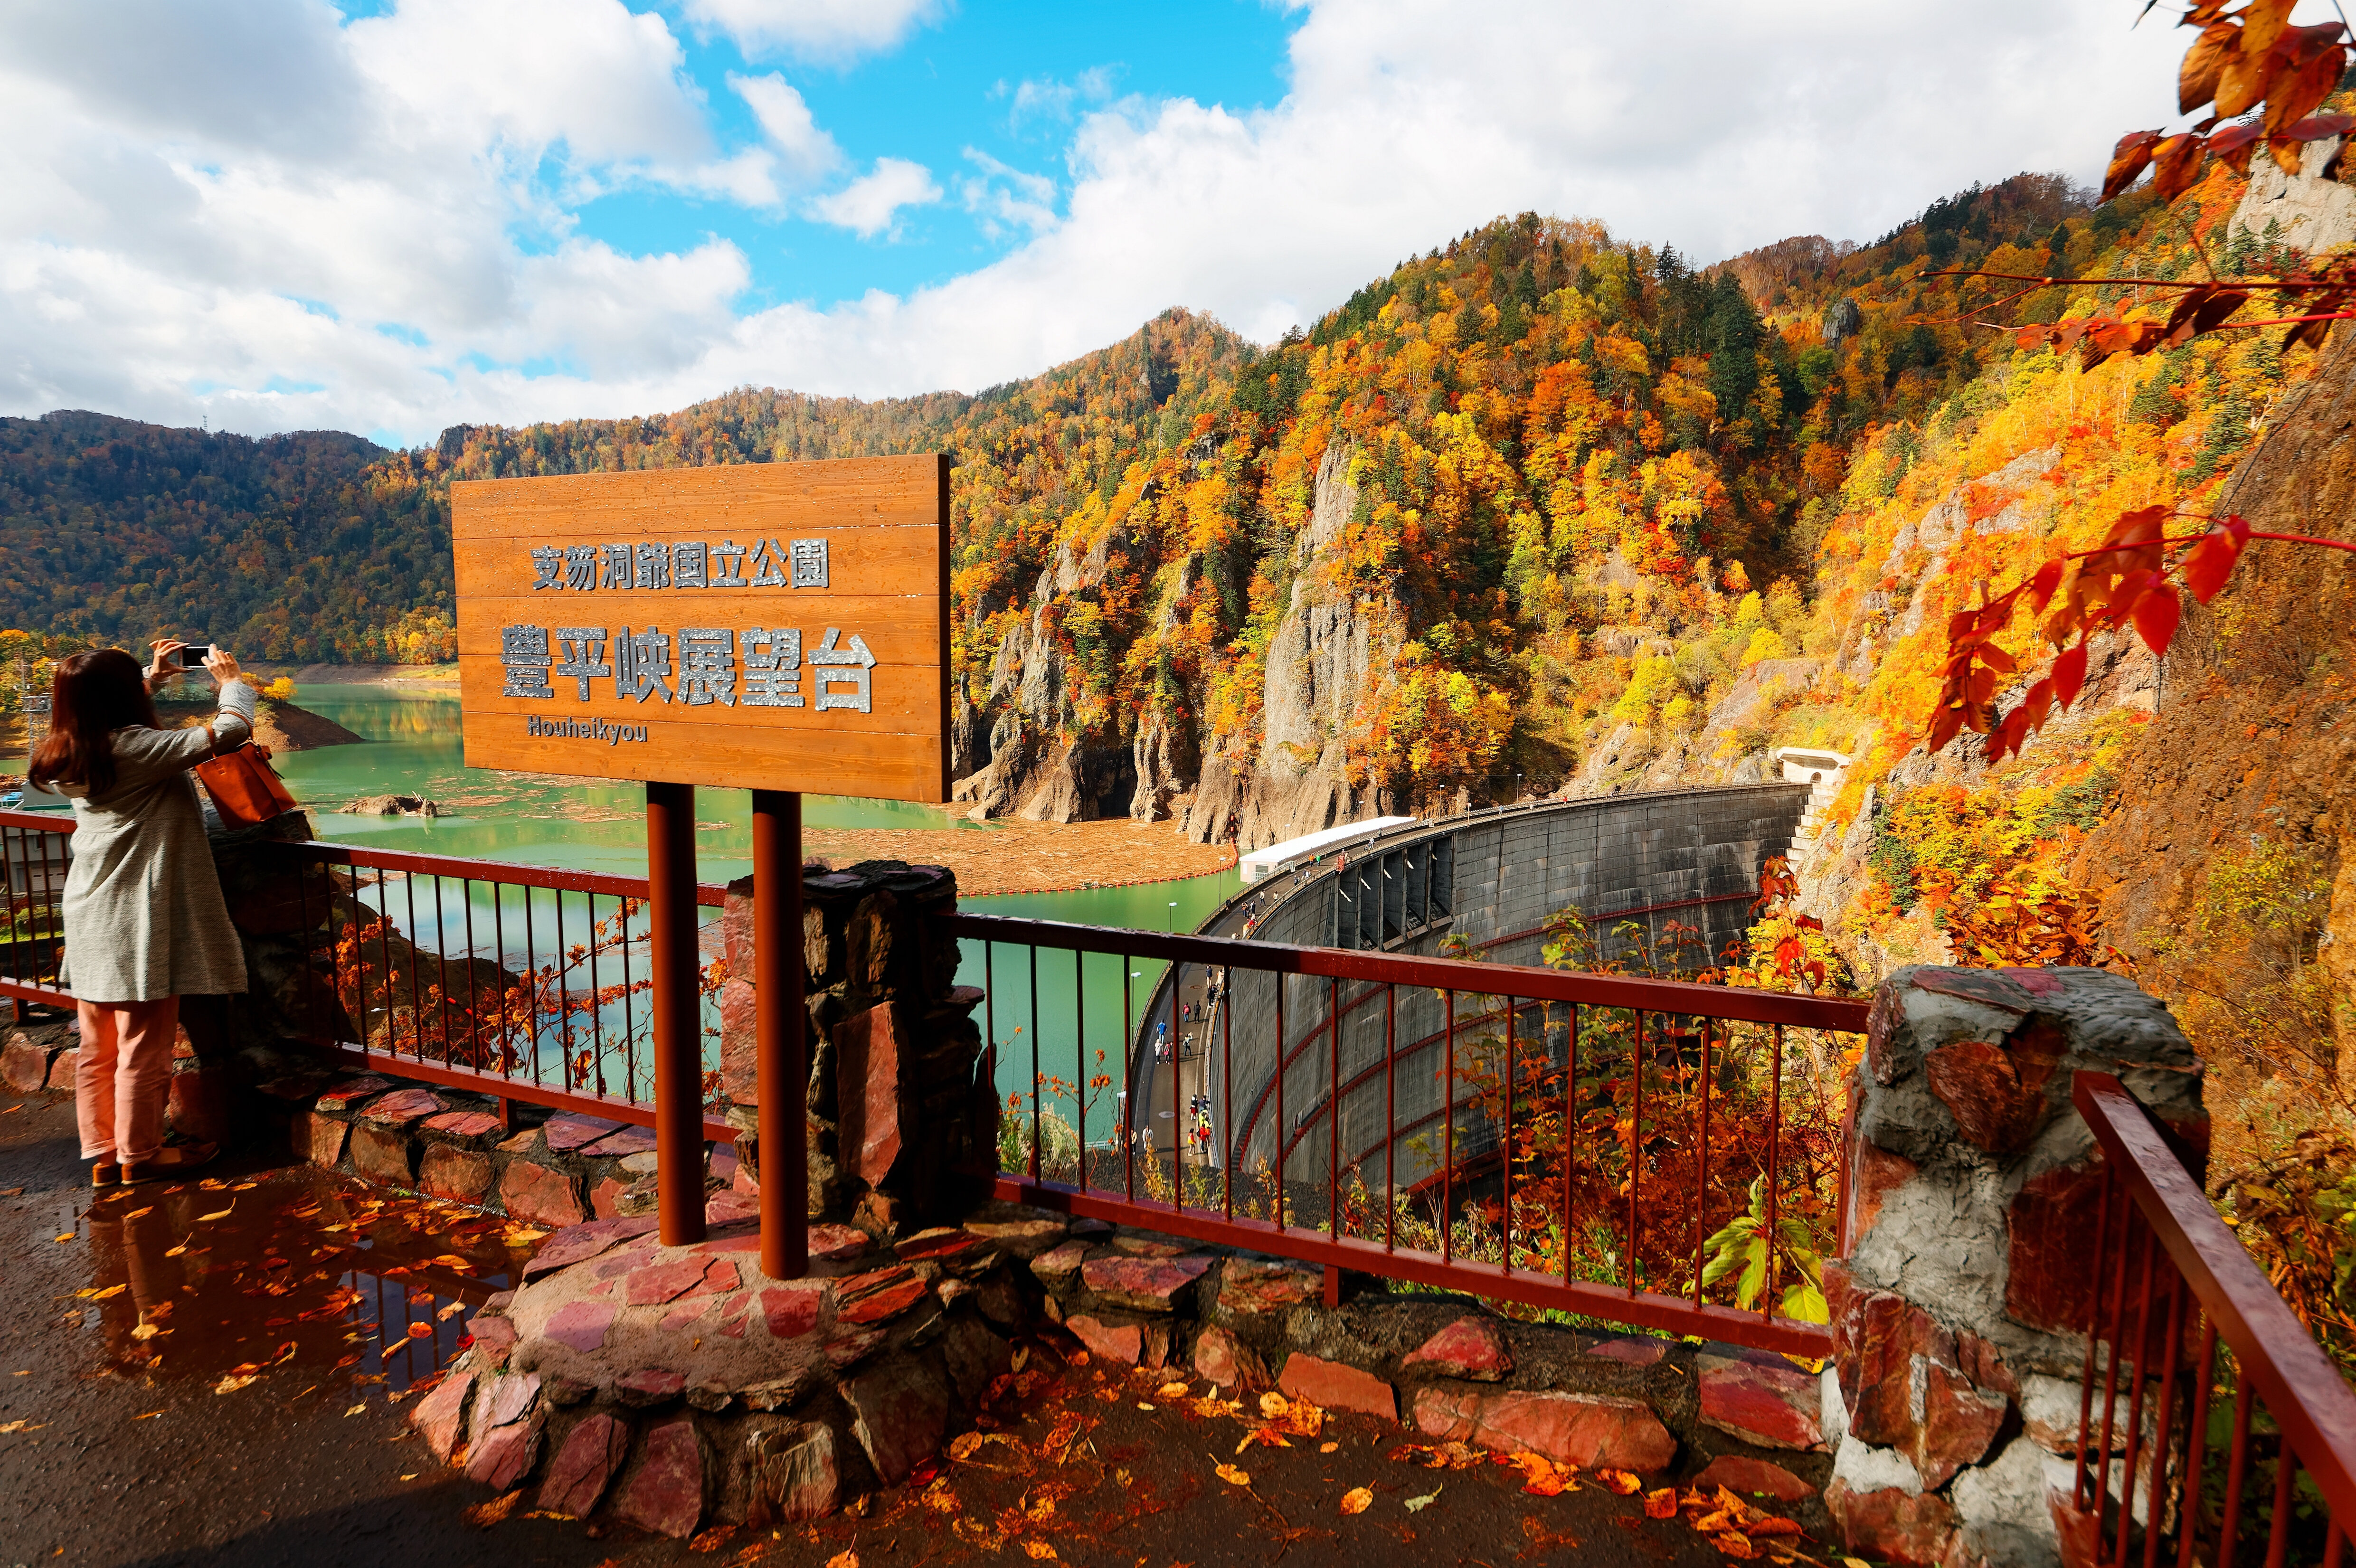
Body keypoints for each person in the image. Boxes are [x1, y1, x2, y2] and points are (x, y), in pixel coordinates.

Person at [28, 641, 255, 1187]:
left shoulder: (65, 750)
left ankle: (104, 1154)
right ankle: (141, 1154)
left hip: (90, 909)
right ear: (120, 697)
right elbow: (228, 732)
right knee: (142, 1047)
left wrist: (149, 680)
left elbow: (105, 716)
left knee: (96, 1045)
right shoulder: (135, 747)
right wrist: (231, 683)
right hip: (139, 916)